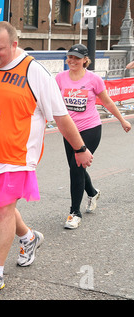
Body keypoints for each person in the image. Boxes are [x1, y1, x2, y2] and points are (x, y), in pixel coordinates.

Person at [0, 21, 93, 297]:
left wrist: (80, 149)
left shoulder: (34, 72)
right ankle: (29, 238)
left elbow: (60, 116)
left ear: (14, 44)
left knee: (2, 211)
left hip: (16, 155)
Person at [56, 44, 131, 229]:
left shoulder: (93, 79)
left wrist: (122, 120)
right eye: (70, 57)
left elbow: (106, 101)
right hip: (69, 130)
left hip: (90, 128)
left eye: (76, 58)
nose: (72, 61)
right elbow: (53, 102)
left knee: (77, 167)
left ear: (85, 60)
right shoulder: (60, 78)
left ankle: (75, 213)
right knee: (77, 168)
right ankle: (92, 192)